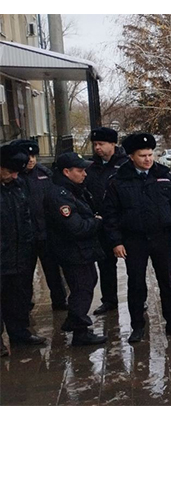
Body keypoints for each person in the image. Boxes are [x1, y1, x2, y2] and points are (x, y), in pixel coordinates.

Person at [102, 133, 171, 344]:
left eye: (150, 154)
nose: (148, 159)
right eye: (142, 155)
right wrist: (116, 241)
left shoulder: (164, 176)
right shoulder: (118, 181)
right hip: (134, 239)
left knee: (166, 282)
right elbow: (110, 215)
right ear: (131, 156)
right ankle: (137, 326)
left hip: (161, 237)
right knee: (136, 284)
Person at [44, 152, 108, 346]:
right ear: (66, 172)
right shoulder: (59, 195)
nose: (85, 174)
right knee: (82, 286)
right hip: (72, 251)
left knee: (88, 282)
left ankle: (75, 320)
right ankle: (79, 329)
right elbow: (76, 227)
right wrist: (96, 222)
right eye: (80, 171)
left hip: (81, 250)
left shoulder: (73, 190)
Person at [11, 139, 69, 311]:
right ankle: (25, 304)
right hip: (24, 236)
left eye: (34, 156)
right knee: (24, 274)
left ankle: (59, 300)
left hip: (46, 232)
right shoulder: (14, 177)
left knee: (52, 270)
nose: (31, 160)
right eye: (28, 156)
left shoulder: (44, 173)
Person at [0, 144, 47, 349]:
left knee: (18, 298)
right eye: (9, 171)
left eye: (16, 172)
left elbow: (26, 217)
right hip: (2, 256)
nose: (14, 175)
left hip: (20, 255)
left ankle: (19, 333)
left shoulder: (17, 187)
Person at [84, 127, 128, 316]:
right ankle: (109, 300)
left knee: (134, 263)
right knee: (105, 263)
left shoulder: (125, 164)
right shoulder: (91, 167)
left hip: (125, 221)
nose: (97, 148)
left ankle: (138, 297)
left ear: (113, 144)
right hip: (102, 222)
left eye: (101, 144)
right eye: (95, 144)